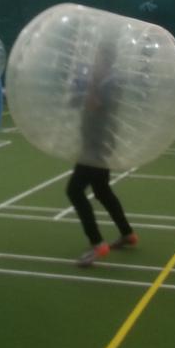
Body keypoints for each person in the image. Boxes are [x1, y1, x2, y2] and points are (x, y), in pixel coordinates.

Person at [67, 43, 137, 268]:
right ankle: (127, 233)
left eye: (96, 58)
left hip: (96, 146)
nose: (93, 62)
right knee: (102, 190)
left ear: (105, 61)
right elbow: (76, 103)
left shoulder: (109, 83)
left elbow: (93, 105)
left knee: (74, 190)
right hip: (97, 143)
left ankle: (97, 243)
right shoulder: (105, 82)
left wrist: (88, 84)